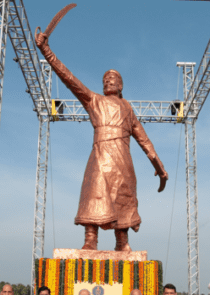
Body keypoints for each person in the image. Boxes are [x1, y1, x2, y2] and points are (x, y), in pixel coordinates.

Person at [35, 30, 168, 252]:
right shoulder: (94, 100)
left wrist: (159, 167)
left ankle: (122, 242)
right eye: (105, 79)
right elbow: (69, 78)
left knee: (123, 197)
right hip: (100, 155)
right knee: (93, 193)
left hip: (123, 159)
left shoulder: (128, 109)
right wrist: (46, 50)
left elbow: (145, 140)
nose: (108, 81)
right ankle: (90, 239)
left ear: (121, 86)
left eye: (113, 79)